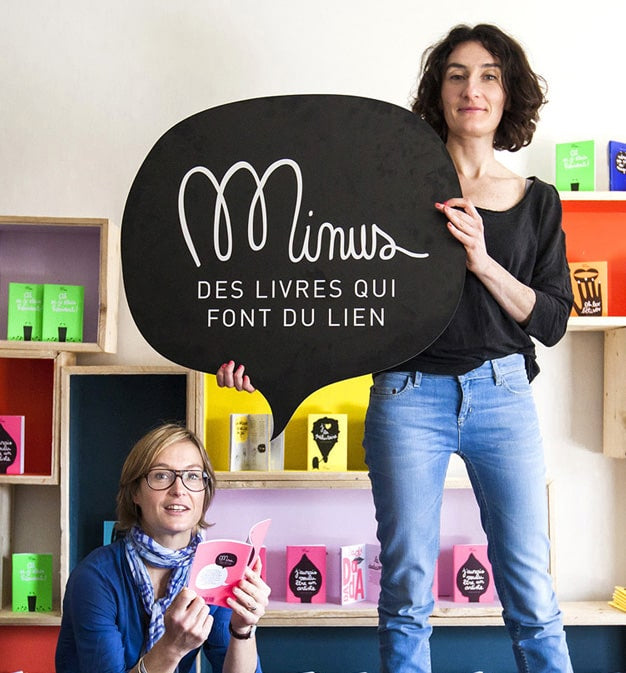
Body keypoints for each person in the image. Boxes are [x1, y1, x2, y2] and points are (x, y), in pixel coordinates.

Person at [217, 23, 574, 673]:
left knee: (530, 582)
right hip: (408, 396)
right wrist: (261, 357)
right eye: (457, 75)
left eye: (489, 76)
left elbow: (551, 320)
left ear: (509, 94)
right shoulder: (393, 189)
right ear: (438, 92)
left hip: (502, 394)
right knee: (407, 584)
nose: (472, 89)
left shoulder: (538, 202)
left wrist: (482, 260)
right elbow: (329, 288)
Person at [55, 423, 269, 673]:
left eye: (192, 476)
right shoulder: (94, 578)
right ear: (134, 492)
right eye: (161, 475)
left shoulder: (213, 572)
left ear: (205, 492)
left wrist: (242, 629)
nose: (179, 490)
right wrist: (171, 648)